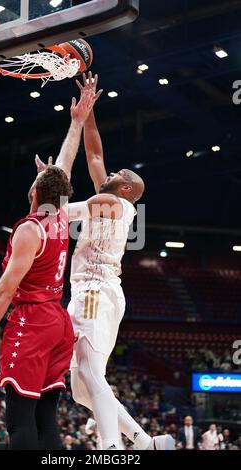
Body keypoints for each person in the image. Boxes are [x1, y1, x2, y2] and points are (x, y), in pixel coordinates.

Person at [0, 90, 96, 450]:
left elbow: (3, 291)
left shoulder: (31, 229)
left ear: (35, 189)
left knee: (19, 424)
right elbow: (63, 167)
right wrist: (76, 122)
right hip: (58, 322)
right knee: (47, 422)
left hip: (32, 323)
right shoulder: (60, 215)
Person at [66, 72, 175, 450]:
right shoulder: (111, 198)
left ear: (127, 188)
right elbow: (94, 154)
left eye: (120, 174)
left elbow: (65, 213)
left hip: (95, 290)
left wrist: (48, 209)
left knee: (89, 371)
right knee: (82, 392)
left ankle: (111, 449)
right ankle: (145, 441)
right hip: (98, 291)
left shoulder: (119, 203)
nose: (112, 172)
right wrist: (88, 111)